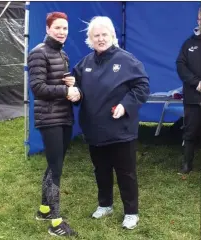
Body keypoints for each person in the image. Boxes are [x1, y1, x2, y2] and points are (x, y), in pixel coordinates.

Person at [73, 16, 150, 229]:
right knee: (101, 170)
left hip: (121, 130)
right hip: (94, 129)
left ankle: (131, 212)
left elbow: (142, 86)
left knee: (126, 172)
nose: (100, 39)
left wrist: (125, 106)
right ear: (90, 39)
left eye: (104, 34)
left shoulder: (127, 60)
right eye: (96, 35)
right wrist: (75, 93)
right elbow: (77, 88)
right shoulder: (84, 63)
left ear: (112, 36)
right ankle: (105, 205)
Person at [28, 12, 80, 237]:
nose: (62, 32)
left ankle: (44, 210)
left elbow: (55, 81)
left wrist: (70, 83)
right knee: (56, 169)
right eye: (57, 28)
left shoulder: (63, 54)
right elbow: (37, 88)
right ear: (48, 29)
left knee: (53, 165)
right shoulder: (38, 53)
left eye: (65, 29)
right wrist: (65, 90)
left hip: (64, 116)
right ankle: (56, 223)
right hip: (49, 118)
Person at [176, 7, 201, 174]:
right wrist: (196, 83)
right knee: (190, 131)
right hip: (193, 96)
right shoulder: (189, 43)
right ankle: (187, 165)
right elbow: (180, 65)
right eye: (200, 17)